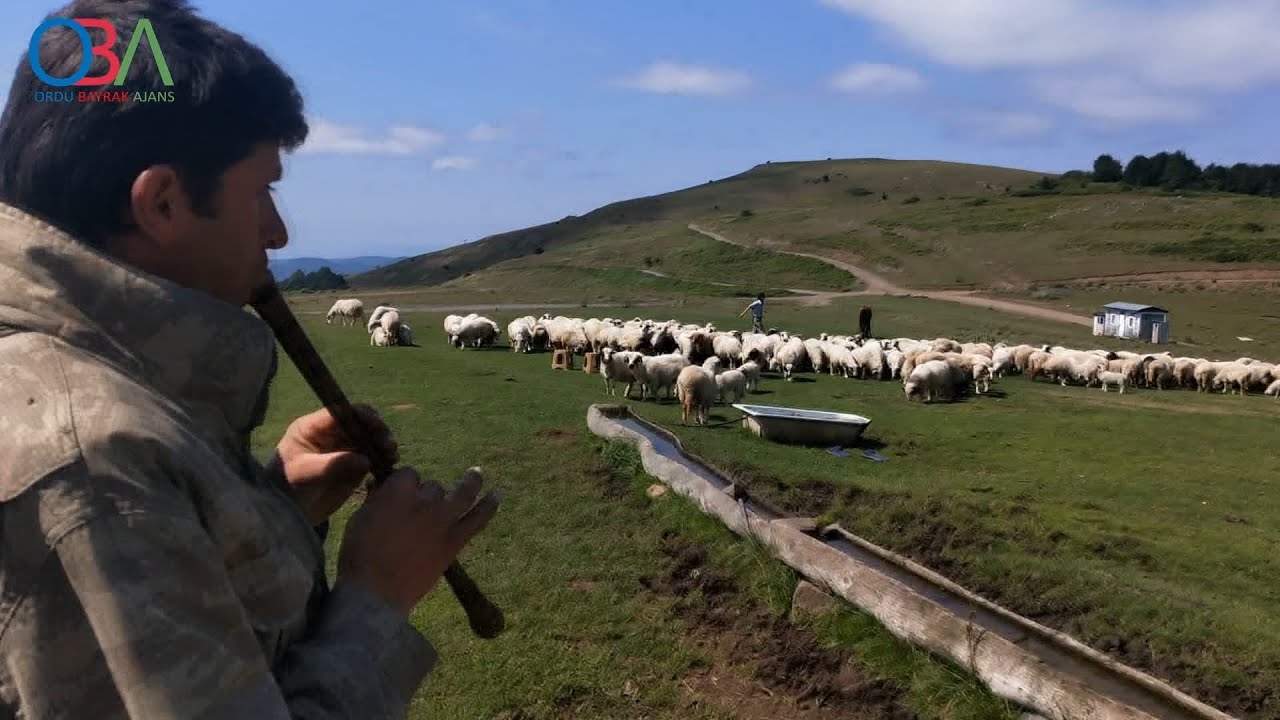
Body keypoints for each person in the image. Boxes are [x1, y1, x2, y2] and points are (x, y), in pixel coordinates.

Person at [0, 1, 499, 718]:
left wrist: (276, 505)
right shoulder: (90, 462)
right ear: (162, 203)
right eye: (262, 189)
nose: (277, 231)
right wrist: (377, 595)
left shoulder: (97, 397)